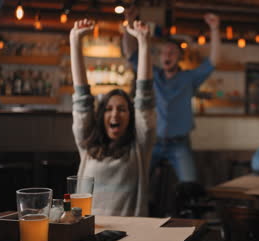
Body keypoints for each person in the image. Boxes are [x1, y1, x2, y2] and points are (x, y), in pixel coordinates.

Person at [122, 7, 221, 183]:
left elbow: (213, 61)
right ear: (160, 57)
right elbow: (131, 53)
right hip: (152, 142)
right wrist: (128, 22)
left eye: (172, 52)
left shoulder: (188, 78)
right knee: (137, 183)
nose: (167, 55)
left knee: (190, 187)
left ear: (179, 57)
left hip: (179, 144)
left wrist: (214, 28)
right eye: (164, 52)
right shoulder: (151, 74)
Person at [71, 19, 155, 216]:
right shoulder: (87, 145)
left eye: (122, 109)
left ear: (131, 116)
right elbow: (82, 100)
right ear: (101, 116)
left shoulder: (140, 147)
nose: (115, 114)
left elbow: (145, 100)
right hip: (87, 234)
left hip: (127, 236)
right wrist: (75, 41)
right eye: (108, 109)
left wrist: (144, 43)